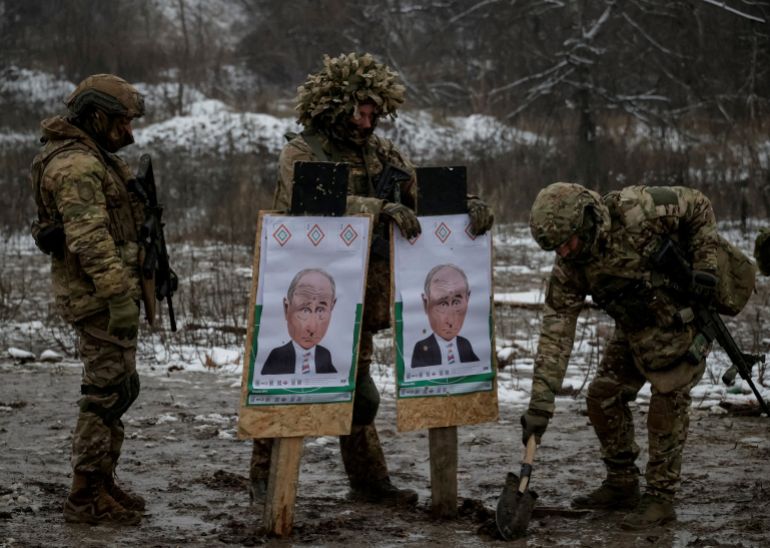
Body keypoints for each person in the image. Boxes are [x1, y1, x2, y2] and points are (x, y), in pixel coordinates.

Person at [250, 52, 494, 506]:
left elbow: (418, 189)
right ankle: (265, 479)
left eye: (372, 114)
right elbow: (309, 202)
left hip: (361, 289)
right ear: (334, 108)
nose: (366, 123)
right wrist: (379, 209)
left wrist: (467, 204)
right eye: (359, 113)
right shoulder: (303, 152)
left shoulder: (381, 152)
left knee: (358, 390)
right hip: (307, 286)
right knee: (287, 381)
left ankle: (368, 481)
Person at [522, 182, 722, 530]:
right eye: (556, 248)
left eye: (568, 241)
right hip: (634, 327)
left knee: (667, 401)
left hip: (677, 318)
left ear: (586, 219)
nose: (564, 252)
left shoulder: (639, 209)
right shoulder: (570, 267)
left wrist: (706, 265)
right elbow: (556, 333)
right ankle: (622, 483)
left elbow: (699, 206)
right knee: (603, 397)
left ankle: (660, 498)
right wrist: (540, 406)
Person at [30, 74, 148, 525]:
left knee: (120, 388)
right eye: (122, 122)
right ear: (96, 116)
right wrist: (118, 296)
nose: (129, 132)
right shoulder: (77, 165)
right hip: (97, 298)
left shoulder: (93, 156)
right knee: (104, 394)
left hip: (104, 293)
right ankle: (84, 496)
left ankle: (101, 481)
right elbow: (90, 239)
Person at [261, 268, 338, 375]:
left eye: (320, 310)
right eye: (304, 310)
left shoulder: (325, 355)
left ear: (332, 307)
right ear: (287, 308)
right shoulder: (277, 357)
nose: (312, 328)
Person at [411, 264, 478, 367]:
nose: (450, 321)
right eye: (442, 304)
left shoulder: (465, 344)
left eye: (456, 303)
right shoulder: (422, 349)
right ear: (425, 304)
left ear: (467, 300)